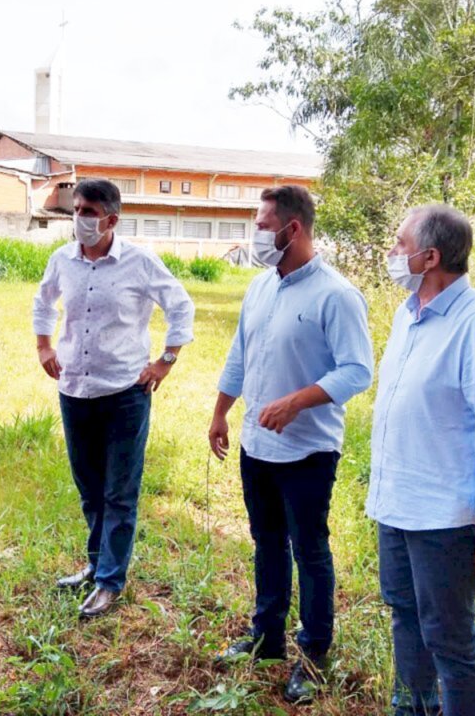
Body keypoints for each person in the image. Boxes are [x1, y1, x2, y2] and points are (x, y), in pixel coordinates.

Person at [209, 185, 373, 703]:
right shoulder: (260, 287)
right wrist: (219, 412)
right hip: (256, 445)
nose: (255, 234)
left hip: (307, 450)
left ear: (292, 229)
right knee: (266, 542)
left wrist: (296, 401)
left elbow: (357, 370)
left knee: (310, 550)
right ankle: (267, 637)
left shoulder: (336, 294)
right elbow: (241, 352)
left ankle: (313, 651)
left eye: (261, 225)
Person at [367, 205, 475, 716]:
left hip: (445, 517)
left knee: (451, 642)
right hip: (397, 505)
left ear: (429, 256)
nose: (391, 253)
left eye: (398, 243)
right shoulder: (407, 313)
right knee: (405, 618)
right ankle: (411, 709)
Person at [33, 178, 195, 619]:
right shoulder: (62, 260)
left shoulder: (139, 263)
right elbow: (43, 302)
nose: (79, 219)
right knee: (89, 488)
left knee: (119, 492)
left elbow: (180, 306)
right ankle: (95, 563)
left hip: (125, 393)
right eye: (76, 210)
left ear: (111, 219)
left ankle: (110, 581)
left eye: (88, 211)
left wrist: (165, 360)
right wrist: (44, 346)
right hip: (75, 390)